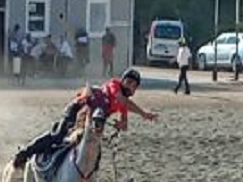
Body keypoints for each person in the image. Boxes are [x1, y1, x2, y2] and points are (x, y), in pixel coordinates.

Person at [11, 67, 158, 167]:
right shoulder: (115, 85)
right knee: (58, 135)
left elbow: (124, 125)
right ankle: (25, 153)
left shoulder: (124, 103)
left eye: (134, 85)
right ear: (123, 80)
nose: (131, 86)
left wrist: (120, 125)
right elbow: (121, 100)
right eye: (129, 82)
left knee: (95, 151)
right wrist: (143, 113)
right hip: (78, 109)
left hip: (92, 122)